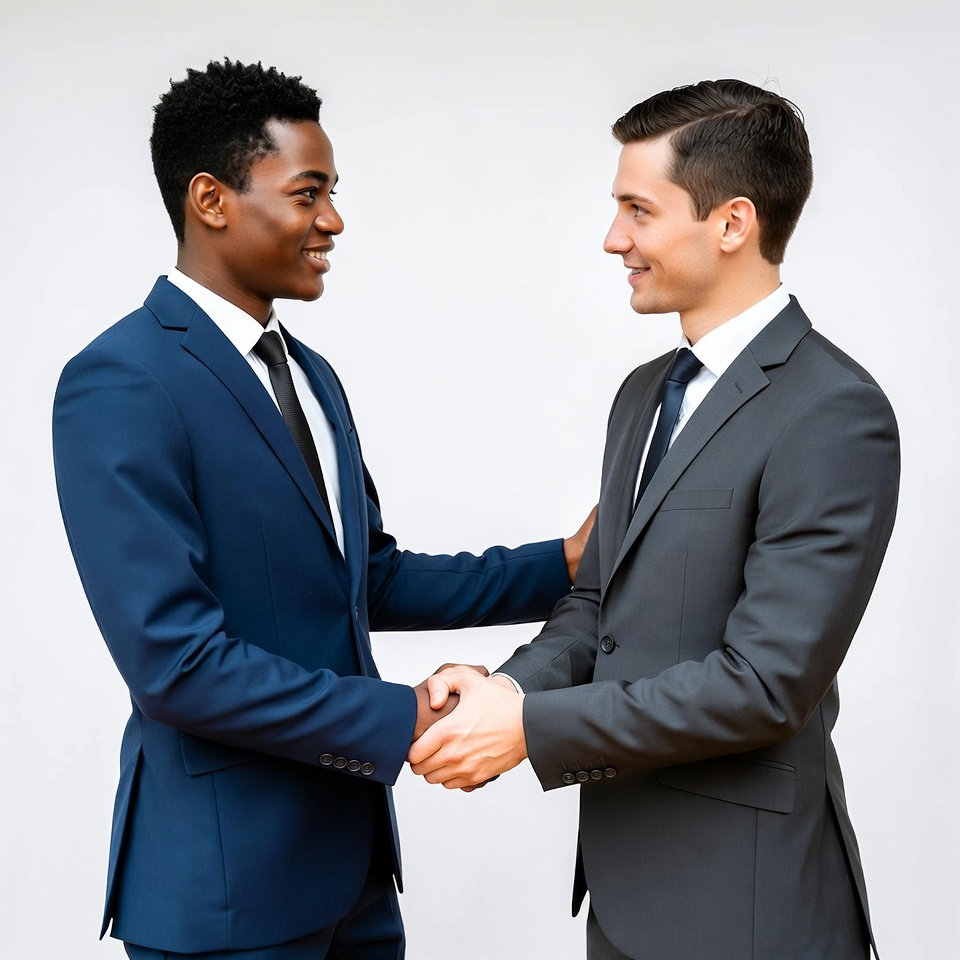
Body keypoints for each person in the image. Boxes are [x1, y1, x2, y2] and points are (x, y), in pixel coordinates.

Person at [53, 59, 593, 960]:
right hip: (223, 894)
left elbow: (362, 579)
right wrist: (401, 716)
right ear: (211, 200)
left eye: (332, 194)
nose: (333, 221)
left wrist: (563, 564)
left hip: (354, 875)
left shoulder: (310, 375)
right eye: (309, 194)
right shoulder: (122, 381)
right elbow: (174, 664)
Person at [410, 79, 900, 959]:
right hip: (626, 895)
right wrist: (509, 689)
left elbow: (765, 684)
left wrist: (529, 731)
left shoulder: (834, 410)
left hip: (749, 907)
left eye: (638, 210)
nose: (613, 239)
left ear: (732, 223)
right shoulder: (642, 397)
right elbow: (597, 602)